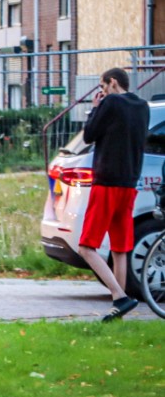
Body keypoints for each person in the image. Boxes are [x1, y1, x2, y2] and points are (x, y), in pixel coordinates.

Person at [75, 67, 150, 321]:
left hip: (106, 181)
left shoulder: (111, 103)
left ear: (113, 82)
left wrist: (96, 109)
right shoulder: (142, 106)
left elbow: (88, 135)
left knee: (86, 247)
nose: (102, 91)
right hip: (129, 183)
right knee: (120, 247)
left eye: (103, 86)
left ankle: (120, 297)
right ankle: (119, 309)